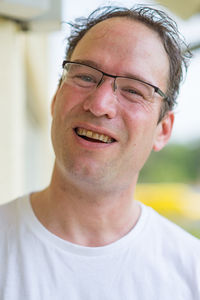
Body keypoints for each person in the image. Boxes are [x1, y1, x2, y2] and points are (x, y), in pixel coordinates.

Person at [0, 5, 199, 300]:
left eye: (134, 90)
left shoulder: (191, 272)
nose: (100, 104)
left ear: (163, 129)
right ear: (56, 99)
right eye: (85, 77)